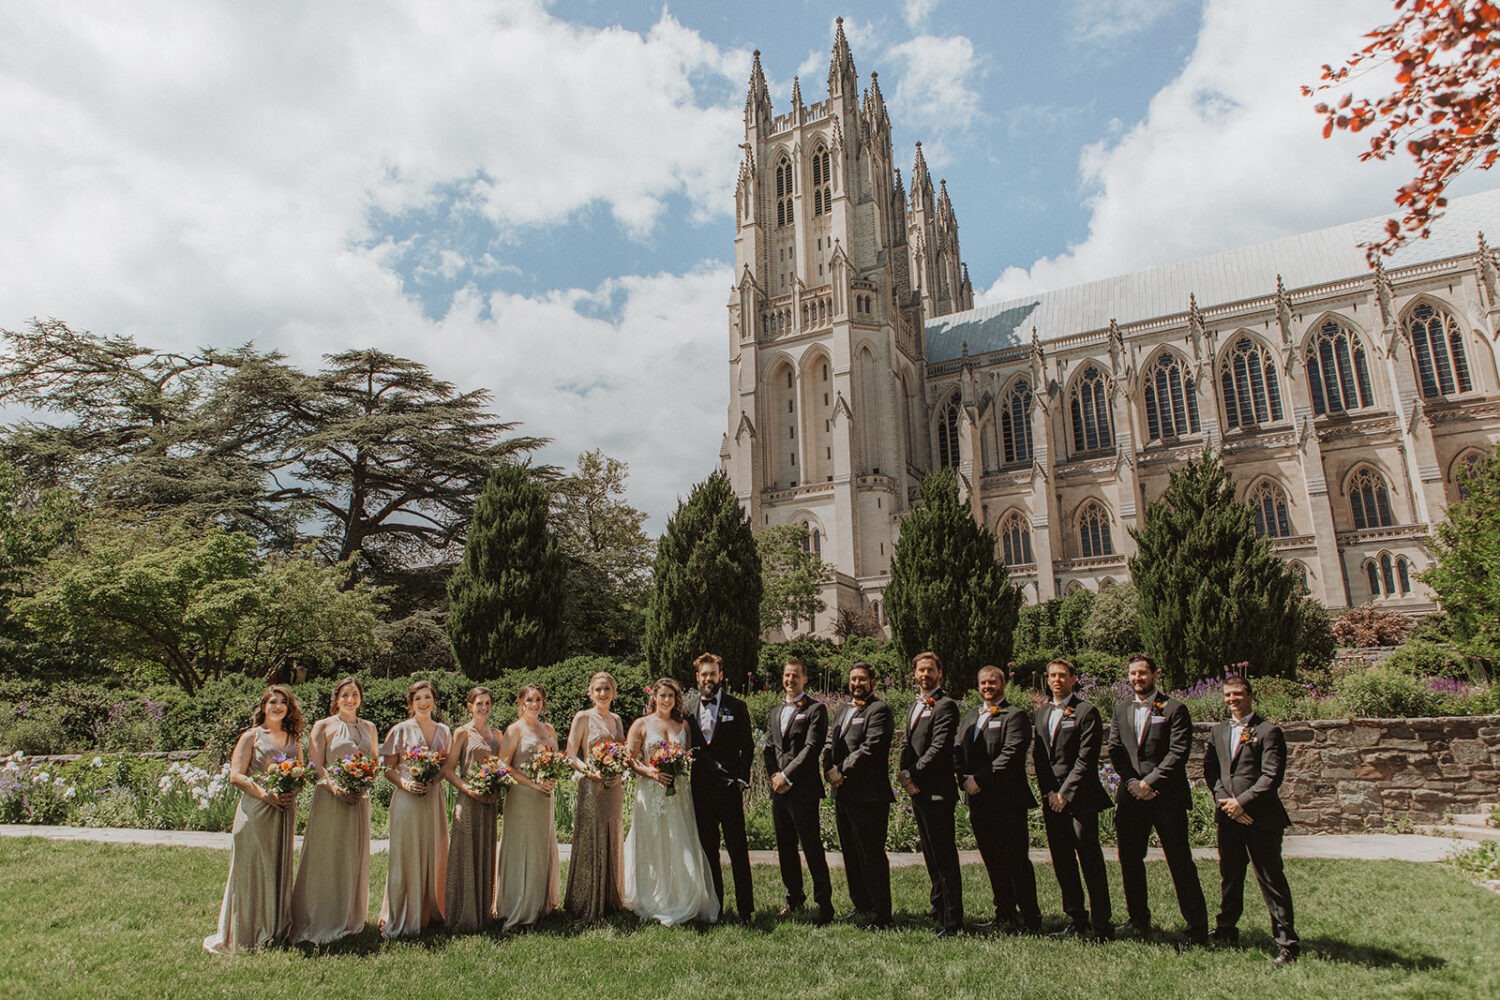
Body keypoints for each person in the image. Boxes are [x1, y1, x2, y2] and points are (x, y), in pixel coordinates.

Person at [1108, 653, 1209, 946]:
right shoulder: (1121, 709)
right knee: (1129, 860)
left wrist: (1149, 783)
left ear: (1155, 674)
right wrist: (1131, 782)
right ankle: (1138, 919)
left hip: (1166, 798)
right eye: (1132, 674)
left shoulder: (1175, 709)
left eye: (1142, 673)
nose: (1136, 679)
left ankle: (1196, 926)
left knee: (1179, 862)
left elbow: (1177, 753)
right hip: (1131, 799)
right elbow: (1115, 749)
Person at [1204, 675, 1299, 966]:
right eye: (1228, 695)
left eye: (1238, 694)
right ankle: (1226, 930)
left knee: (1270, 879)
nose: (1232, 699)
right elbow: (1211, 773)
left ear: (1250, 695)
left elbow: (1271, 776)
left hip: (1261, 819)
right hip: (1229, 817)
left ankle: (1287, 942)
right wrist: (1228, 804)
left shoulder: (1269, 731)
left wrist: (1242, 803)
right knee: (1230, 877)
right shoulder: (1218, 731)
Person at [204, 685, 305, 954]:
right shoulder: (251, 736)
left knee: (277, 868)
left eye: (283, 702)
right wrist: (265, 794)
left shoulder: (294, 739)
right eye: (273, 702)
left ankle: (274, 931)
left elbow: (301, 772)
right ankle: (244, 933)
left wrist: (291, 789)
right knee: (251, 870)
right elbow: (236, 775)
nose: (278, 706)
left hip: (284, 811)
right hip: (256, 811)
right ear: (263, 707)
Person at [623, 677, 720, 926]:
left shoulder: (684, 726)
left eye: (671, 696)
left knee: (679, 842)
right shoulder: (641, 724)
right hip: (651, 793)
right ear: (654, 697)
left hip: (678, 793)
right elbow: (629, 759)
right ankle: (654, 896)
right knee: (654, 843)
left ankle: (681, 895)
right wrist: (652, 773)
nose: (666, 700)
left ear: (677, 699)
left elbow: (687, 758)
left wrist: (678, 768)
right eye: (662, 695)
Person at [290, 676, 378, 945]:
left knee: (352, 855)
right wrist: (335, 786)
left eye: (354, 694)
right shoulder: (323, 726)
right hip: (330, 798)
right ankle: (318, 916)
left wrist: (363, 784)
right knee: (326, 855)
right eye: (345, 695)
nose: (350, 699)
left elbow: (374, 761)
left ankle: (350, 917)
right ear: (336, 699)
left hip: (358, 799)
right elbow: (316, 764)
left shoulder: (370, 727)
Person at [1032, 658, 1114, 942]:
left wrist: (1065, 793)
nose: (1056, 680)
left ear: (1073, 679)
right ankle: (1076, 917)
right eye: (1052, 676)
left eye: (1062, 676)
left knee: (1090, 860)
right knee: (1062, 860)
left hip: (1079, 799)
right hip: (1051, 799)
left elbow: (1086, 759)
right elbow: (1039, 758)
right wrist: (1049, 793)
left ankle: (1102, 924)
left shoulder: (1086, 712)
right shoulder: (1042, 713)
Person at [956, 664, 1041, 934]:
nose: (987, 687)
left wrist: (979, 780)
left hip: (1007, 801)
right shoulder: (970, 716)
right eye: (983, 683)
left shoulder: (1015, 716)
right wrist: (964, 780)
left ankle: (1029, 917)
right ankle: (1004, 912)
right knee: (992, 859)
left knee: (1016, 860)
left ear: (1003, 684)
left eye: (992, 682)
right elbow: (957, 751)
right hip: (979, 801)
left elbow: (1010, 754)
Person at [683, 652, 756, 922]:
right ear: (697, 677)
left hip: (729, 789)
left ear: (721, 675)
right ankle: (716, 908)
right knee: (709, 851)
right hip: (701, 791)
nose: (708, 679)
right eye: (703, 674)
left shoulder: (737, 707)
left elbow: (747, 747)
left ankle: (746, 909)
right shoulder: (688, 708)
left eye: (712, 674)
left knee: (738, 850)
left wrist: (741, 779)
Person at [822, 661, 895, 928]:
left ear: (873, 682)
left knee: (871, 853)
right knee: (851, 853)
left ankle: (882, 913)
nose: (857, 684)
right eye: (853, 680)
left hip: (869, 795)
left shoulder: (880, 711)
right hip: (842, 794)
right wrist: (827, 768)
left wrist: (841, 770)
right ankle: (861, 904)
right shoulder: (843, 710)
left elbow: (870, 747)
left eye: (862, 679)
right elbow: (830, 741)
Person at [379, 679, 451, 938]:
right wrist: (406, 783)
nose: (423, 702)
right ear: (411, 703)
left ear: (434, 701)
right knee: (407, 853)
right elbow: (388, 768)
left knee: (435, 849)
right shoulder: (399, 730)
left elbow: (446, 767)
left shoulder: (444, 731)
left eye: (427, 697)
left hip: (432, 799)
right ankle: (402, 912)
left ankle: (431, 909)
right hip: (407, 800)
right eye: (418, 698)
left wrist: (434, 779)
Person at [898, 650, 963, 937]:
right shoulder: (915, 706)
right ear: (914, 674)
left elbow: (939, 748)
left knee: (944, 855)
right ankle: (938, 907)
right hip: (917, 790)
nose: (925, 675)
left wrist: (913, 773)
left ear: (940, 673)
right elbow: (906, 744)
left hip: (937, 790)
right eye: (920, 671)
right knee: (929, 853)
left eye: (930, 670)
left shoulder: (946, 705)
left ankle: (953, 919)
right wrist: (903, 775)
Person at [764, 658, 833, 924]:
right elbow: (769, 748)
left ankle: (824, 904)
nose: (790, 680)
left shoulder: (816, 709)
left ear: (805, 679)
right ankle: (794, 898)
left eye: (795, 676)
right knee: (785, 848)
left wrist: (787, 776)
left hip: (802, 789)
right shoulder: (775, 711)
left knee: (812, 846)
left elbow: (811, 747)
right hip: (778, 791)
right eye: (787, 676)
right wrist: (774, 776)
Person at [494, 684, 562, 930]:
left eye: (538, 700)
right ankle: (519, 906)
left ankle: (540, 903)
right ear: (520, 702)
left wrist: (553, 776)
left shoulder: (548, 729)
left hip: (545, 796)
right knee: (524, 845)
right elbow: (503, 766)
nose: (534, 704)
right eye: (529, 700)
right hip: (523, 796)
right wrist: (533, 783)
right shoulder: (514, 730)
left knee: (541, 846)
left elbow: (556, 758)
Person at [562, 671, 627, 922]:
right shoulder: (583, 717)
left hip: (614, 785)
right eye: (598, 689)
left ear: (613, 692)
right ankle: (585, 899)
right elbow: (571, 754)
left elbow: (622, 751)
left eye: (606, 689)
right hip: (591, 784)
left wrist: (618, 771)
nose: (602, 694)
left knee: (611, 834)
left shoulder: (617, 719)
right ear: (591, 692)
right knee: (591, 837)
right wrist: (589, 771)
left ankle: (610, 898)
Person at [442, 686, 503, 933]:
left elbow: (501, 767)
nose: (484, 707)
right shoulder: (462, 733)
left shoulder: (497, 734)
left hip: (489, 802)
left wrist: (497, 785)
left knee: (486, 852)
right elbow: (448, 770)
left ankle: (484, 913)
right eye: (479, 703)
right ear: (470, 706)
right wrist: (468, 790)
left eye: (488, 703)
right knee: (466, 853)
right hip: (468, 800)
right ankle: (462, 914)